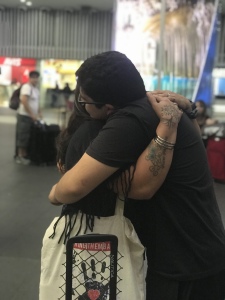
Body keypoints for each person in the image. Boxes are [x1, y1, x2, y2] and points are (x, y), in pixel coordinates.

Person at [48, 51, 225, 300]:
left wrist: (55, 192)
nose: (82, 105)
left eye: (85, 101)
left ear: (108, 107)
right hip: (200, 249)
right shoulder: (156, 107)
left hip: (180, 263)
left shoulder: (128, 121)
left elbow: (74, 188)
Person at [16, 70, 41, 165]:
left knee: (27, 136)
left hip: (31, 117)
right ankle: (20, 156)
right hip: (24, 116)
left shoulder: (36, 89)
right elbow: (24, 100)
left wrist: (39, 112)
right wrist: (31, 114)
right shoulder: (26, 87)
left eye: (36, 77)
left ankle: (25, 154)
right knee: (23, 136)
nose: (35, 79)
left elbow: (36, 102)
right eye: (33, 77)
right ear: (30, 78)